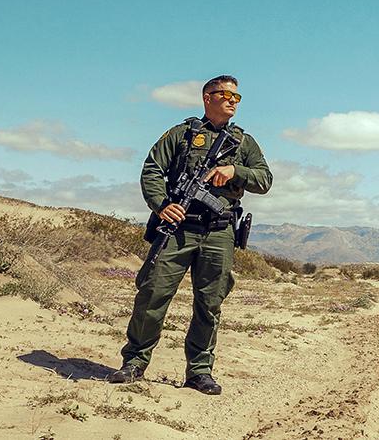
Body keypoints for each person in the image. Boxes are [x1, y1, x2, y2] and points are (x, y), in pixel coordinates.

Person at [109, 75, 272, 394]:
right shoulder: (182, 134)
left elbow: (264, 180)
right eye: (225, 95)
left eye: (236, 98)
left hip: (219, 231)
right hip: (178, 228)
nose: (231, 101)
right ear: (206, 97)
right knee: (153, 294)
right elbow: (152, 169)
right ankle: (135, 362)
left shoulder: (244, 142)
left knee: (210, 303)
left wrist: (235, 171)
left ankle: (199, 372)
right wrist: (160, 206)